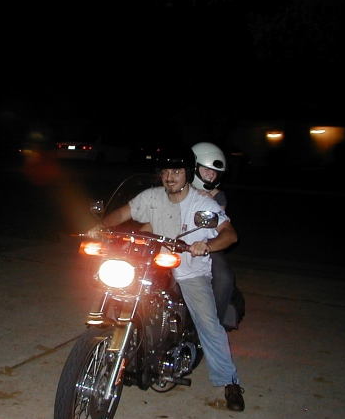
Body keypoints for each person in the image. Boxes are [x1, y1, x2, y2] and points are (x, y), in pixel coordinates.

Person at [88, 146, 245, 412]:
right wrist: (101, 227)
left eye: (176, 172)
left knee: (208, 323)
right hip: (155, 264)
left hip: (190, 270)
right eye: (165, 172)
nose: (169, 177)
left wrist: (206, 246)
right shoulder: (152, 196)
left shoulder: (202, 204)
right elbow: (124, 213)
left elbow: (230, 234)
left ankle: (228, 380)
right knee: (119, 287)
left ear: (187, 174)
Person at [191, 142, 235, 327]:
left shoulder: (218, 196)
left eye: (214, 172)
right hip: (176, 239)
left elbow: (218, 222)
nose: (210, 175)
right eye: (206, 169)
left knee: (224, 278)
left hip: (207, 243)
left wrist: (210, 202)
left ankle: (212, 325)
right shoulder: (181, 188)